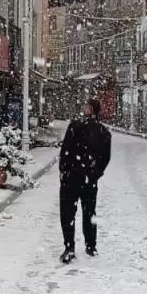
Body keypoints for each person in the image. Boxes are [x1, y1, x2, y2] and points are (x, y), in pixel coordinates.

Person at [58, 99, 112, 263]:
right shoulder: (103, 131)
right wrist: (95, 173)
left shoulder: (75, 127)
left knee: (68, 213)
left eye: (86, 106)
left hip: (73, 177)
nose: (83, 109)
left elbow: (65, 150)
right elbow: (105, 158)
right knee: (89, 212)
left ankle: (70, 247)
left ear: (91, 110)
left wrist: (64, 170)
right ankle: (90, 245)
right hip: (88, 178)